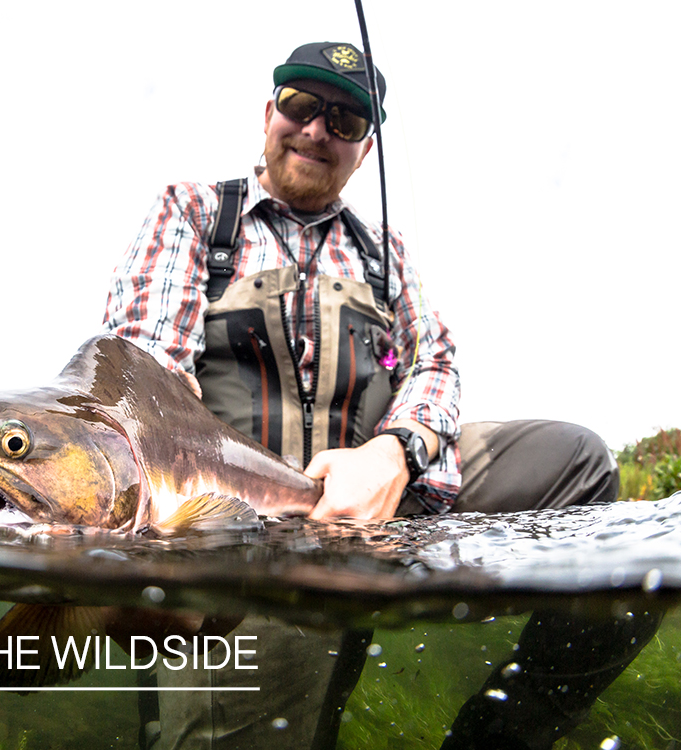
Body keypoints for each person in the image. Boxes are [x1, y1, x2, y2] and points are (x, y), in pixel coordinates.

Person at [102, 42, 628, 749]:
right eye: (300, 107)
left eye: (344, 122)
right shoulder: (195, 211)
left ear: (364, 148)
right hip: (242, 532)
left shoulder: (387, 253)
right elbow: (145, 362)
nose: (318, 130)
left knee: (580, 462)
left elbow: (434, 361)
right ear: (268, 114)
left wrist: (395, 449)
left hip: (392, 505)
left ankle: (498, 735)